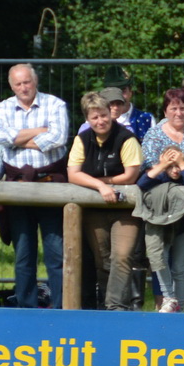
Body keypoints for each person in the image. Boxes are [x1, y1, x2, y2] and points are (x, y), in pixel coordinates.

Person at [0, 64, 70, 308]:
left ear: (35, 81)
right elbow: (2, 138)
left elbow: (58, 138)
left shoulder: (55, 104)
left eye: (27, 82)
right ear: (11, 85)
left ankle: (60, 307)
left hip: (50, 186)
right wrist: (40, 132)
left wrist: (19, 140)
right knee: (23, 255)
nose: (23, 87)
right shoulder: (3, 107)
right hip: (18, 189)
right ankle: (26, 307)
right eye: (18, 84)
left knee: (55, 253)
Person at [67, 91, 144, 311]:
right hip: (95, 209)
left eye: (103, 115)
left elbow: (130, 175)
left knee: (122, 256)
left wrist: (98, 180)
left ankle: (116, 307)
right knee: (103, 259)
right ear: (87, 119)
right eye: (94, 117)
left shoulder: (127, 138)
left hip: (125, 208)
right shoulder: (81, 139)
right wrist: (101, 186)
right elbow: (73, 174)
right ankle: (106, 305)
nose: (100, 121)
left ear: (111, 114)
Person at [140, 87, 184, 309]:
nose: (178, 112)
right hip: (160, 202)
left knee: (182, 263)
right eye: (173, 108)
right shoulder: (153, 134)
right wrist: (170, 166)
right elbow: (148, 167)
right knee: (160, 257)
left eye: (183, 108)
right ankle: (167, 300)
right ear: (165, 111)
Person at [133, 146, 184, 313]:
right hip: (161, 226)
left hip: (183, 227)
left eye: (177, 165)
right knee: (160, 260)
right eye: (171, 166)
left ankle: (180, 305)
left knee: (179, 266)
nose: (175, 170)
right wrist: (163, 165)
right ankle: (169, 297)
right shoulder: (159, 176)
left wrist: (182, 164)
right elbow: (141, 184)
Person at [106, 73, 155, 141]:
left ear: (130, 93)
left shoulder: (147, 119)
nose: (119, 96)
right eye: (114, 92)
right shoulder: (98, 120)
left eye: (123, 91)